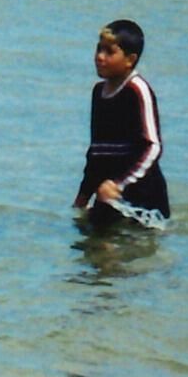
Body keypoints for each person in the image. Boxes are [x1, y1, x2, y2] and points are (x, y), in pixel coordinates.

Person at [73, 19, 169, 230]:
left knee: (133, 246)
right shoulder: (98, 92)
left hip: (143, 196)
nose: (100, 57)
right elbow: (97, 151)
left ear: (130, 60)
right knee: (89, 244)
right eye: (99, 49)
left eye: (109, 52)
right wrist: (83, 195)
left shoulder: (137, 90)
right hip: (107, 194)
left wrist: (118, 184)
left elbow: (152, 147)